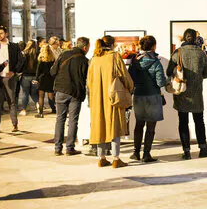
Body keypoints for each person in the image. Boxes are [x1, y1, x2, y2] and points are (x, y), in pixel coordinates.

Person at [167, 29, 207, 160]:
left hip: (181, 92)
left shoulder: (177, 53)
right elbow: (206, 74)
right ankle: (203, 148)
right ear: (195, 39)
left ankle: (186, 151)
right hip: (196, 93)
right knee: (199, 121)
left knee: (183, 122)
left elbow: (168, 71)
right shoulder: (201, 54)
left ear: (184, 38)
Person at [87, 35, 134, 168]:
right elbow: (124, 75)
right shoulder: (115, 56)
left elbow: (89, 81)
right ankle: (116, 158)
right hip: (113, 97)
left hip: (97, 97)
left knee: (100, 126)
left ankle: (101, 158)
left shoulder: (95, 59)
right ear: (112, 44)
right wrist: (130, 87)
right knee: (114, 127)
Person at [127, 35, 166, 162]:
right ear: (154, 46)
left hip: (138, 95)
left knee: (139, 125)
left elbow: (130, 79)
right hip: (153, 96)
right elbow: (160, 83)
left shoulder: (135, 61)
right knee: (150, 127)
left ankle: (135, 152)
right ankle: (146, 154)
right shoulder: (156, 62)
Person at [50, 37, 90, 156]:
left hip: (61, 90)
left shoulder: (64, 55)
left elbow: (52, 71)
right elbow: (86, 78)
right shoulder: (84, 60)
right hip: (75, 92)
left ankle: (57, 148)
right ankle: (69, 148)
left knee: (59, 119)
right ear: (84, 47)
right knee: (73, 120)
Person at [0, 25, 24, 133]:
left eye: (1, 33)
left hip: (10, 77)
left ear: (6, 34)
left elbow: (21, 60)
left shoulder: (14, 46)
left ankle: (15, 125)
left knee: (12, 101)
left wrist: (14, 71)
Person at [34, 44, 56, 118]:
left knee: (41, 97)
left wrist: (36, 79)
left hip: (42, 78)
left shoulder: (41, 59)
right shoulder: (52, 58)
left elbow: (38, 71)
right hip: (50, 78)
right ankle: (55, 109)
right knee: (51, 96)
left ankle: (40, 113)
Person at [19, 40, 39, 116]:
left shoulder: (24, 54)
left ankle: (24, 110)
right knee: (34, 93)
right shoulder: (37, 54)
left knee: (25, 93)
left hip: (25, 77)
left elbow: (20, 65)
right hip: (34, 77)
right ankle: (38, 106)